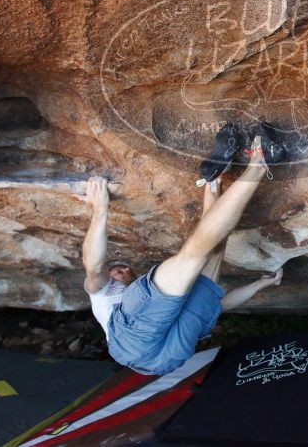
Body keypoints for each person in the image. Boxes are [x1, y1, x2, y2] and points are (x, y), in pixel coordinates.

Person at [82, 132, 283, 375]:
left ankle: (212, 181)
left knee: (213, 251)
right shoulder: (102, 292)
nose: (123, 270)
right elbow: (94, 266)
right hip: (136, 347)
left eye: (125, 269)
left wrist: (260, 286)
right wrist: (100, 208)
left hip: (168, 360)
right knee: (191, 256)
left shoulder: (144, 302)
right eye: (116, 271)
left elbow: (220, 305)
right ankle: (259, 164)